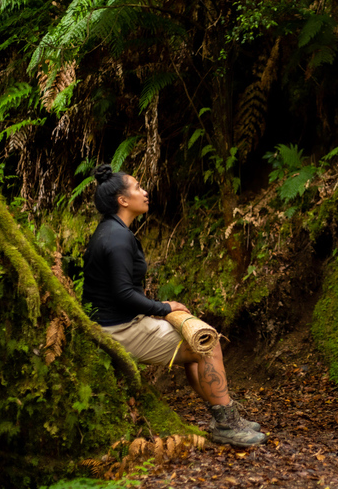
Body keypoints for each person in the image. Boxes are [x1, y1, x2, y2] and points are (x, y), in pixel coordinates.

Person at [82, 163, 266, 447]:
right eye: (138, 188)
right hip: (118, 329)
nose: (145, 192)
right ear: (123, 200)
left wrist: (161, 308)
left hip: (116, 322)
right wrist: (165, 308)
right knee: (208, 343)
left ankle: (224, 416)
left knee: (195, 342)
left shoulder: (110, 231)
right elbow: (122, 294)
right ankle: (227, 425)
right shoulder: (117, 238)